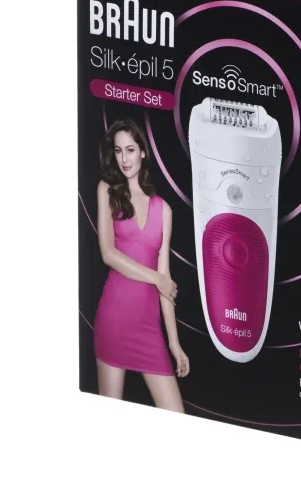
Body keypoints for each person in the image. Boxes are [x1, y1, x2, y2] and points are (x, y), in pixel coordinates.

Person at [93, 118, 189, 412]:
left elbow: (165, 278)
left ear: (143, 152)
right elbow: (108, 254)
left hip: (149, 328)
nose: (124, 158)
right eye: (118, 150)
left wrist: (174, 344)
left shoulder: (164, 209)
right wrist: (157, 279)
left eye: (131, 149)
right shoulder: (107, 190)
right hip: (114, 319)